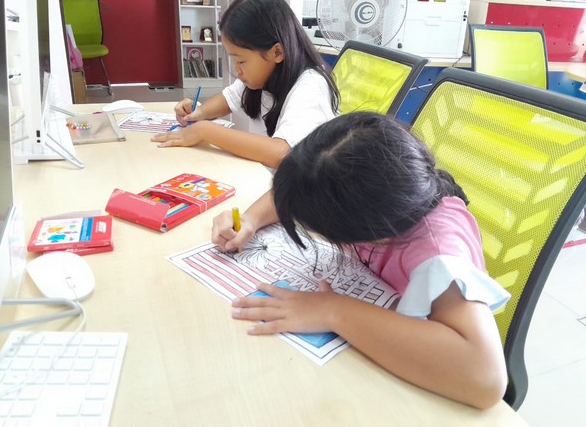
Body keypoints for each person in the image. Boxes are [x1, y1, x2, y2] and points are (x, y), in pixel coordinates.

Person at [211, 112, 511, 409]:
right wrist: (250, 219)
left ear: (372, 231)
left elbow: (486, 380)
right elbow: (299, 191)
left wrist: (332, 311)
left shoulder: (438, 255)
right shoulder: (377, 195)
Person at [151, 0, 339, 169]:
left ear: (277, 52)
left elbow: (282, 153)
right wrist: (198, 113)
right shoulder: (263, 76)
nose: (236, 70)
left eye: (241, 61)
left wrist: (205, 131)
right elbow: (228, 99)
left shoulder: (311, 86)